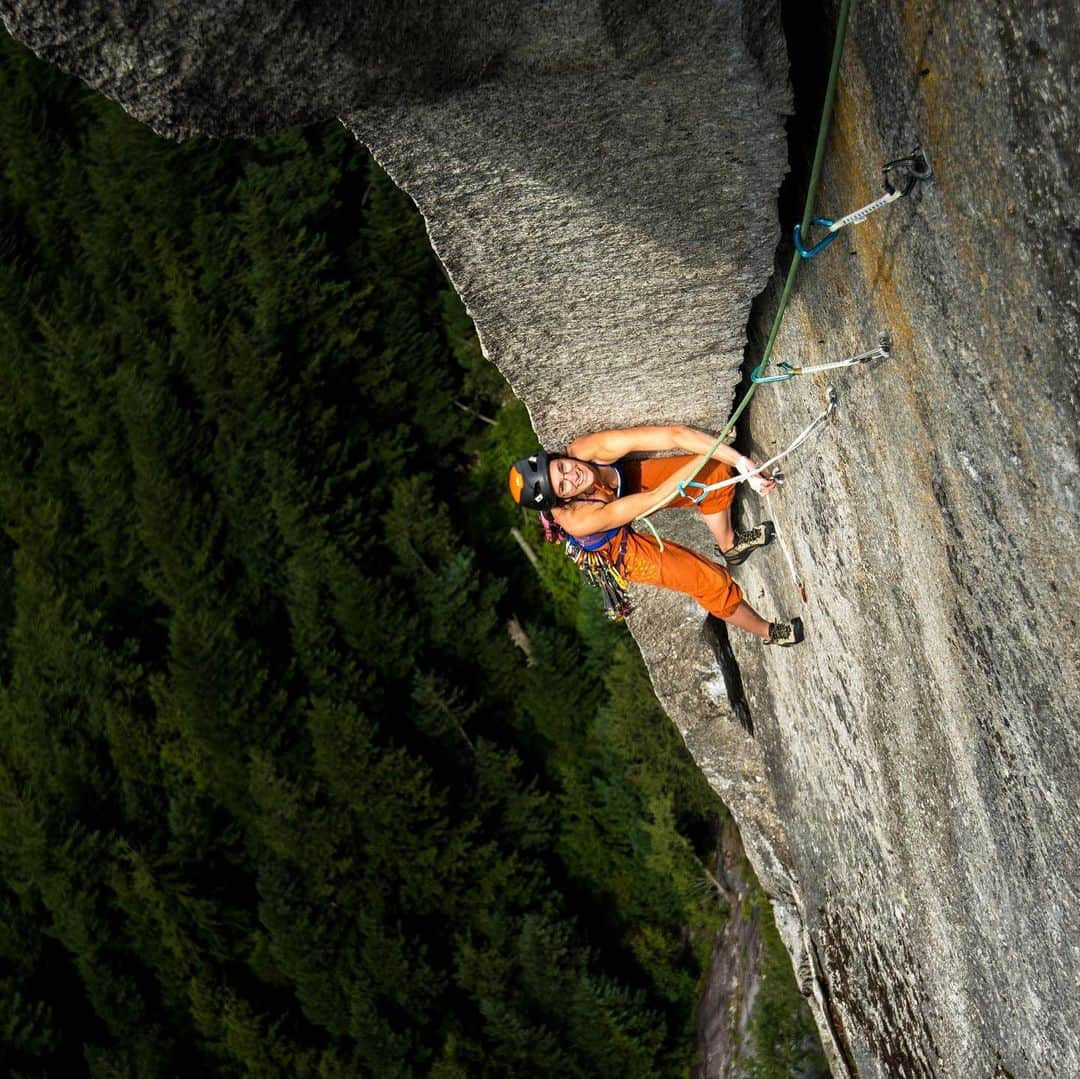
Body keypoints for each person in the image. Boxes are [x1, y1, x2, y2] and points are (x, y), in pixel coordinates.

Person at [508, 424, 804, 645]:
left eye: (561, 468)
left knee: (713, 469)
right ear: (562, 501)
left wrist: (739, 462)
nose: (572, 475)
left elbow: (673, 435)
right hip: (616, 548)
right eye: (563, 486)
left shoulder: (587, 450)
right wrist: (734, 462)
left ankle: (731, 545)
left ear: (557, 457)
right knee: (707, 580)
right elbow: (658, 497)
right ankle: (770, 632)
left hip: (622, 492)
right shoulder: (579, 520)